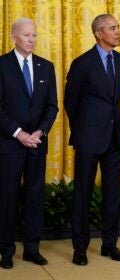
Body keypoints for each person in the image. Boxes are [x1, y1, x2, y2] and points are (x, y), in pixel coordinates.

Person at [64, 14, 120, 266]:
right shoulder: (82, 63)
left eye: (118, 27)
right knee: (83, 193)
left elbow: (114, 99)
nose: (118, 31)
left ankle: (109, 245)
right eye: (113, 28)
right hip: (88, 138)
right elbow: (71, 102)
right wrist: (83, 130)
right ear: (99, 33)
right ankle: (79, 248)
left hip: (114, 138)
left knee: (112, 195)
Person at [0, 18, 58, 269]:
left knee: (35, 197)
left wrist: (39, 132)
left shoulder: (46, 66)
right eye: (26, 35)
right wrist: (18, 133)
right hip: (9, 145)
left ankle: (32, 249)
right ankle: (6, 250)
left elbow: (52, 106)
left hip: (37, 144)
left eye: (34, 35)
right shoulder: (1, 65)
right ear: (14, 37)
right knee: (7, 198)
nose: (31, 39)